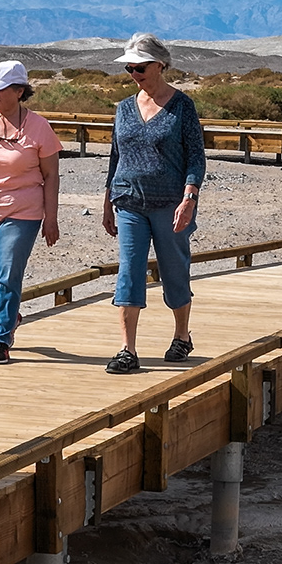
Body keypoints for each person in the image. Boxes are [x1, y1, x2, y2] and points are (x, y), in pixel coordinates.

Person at [101, 33, 205, 374]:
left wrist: (189, 198)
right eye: (129, 69)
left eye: (140, 68)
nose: (134, 74)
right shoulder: (123, 108)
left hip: (170, 203)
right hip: (129, 201)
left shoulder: (182, 107)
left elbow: (196, 157)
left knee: (174, 270)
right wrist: (107, 201)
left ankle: (181, 335)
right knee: (129, 270)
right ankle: (127, 349)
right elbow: (116, 157)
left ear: (160, 65)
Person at [0, 59, 63, 365]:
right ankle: (9, 315)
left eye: (1, 89)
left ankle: (0, 339)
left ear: (19, 91)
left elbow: (51, 175)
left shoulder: (39, 127)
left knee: (7, 273)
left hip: (22, 212)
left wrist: (51, 218)